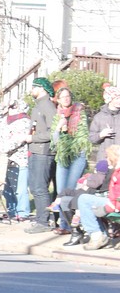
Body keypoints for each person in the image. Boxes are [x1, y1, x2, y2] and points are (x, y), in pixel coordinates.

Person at [50, 83, 90, 233]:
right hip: (63, 157)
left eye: (68, 96)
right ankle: (64, 225)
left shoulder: (79, 112)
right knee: (61, 190)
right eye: (63, 97)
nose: (66, 99)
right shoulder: (57, 116)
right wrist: (59, 128)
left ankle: (73, 224)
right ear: (58, 100)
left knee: (70, 189)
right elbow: (54, 141)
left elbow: (83, 135)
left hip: (77, 155)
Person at [24, 77, 56, 233]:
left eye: (33, 87)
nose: (31, 90)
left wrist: (33, 138)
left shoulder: (47, 106)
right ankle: (42, 219)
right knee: (35, 186)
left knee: (39, 187)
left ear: (41, 89)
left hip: (44, 153)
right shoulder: (38, 105)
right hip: (35, 151)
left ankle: (43, 222)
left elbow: (53, 131)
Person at [74, 144, 120, 250]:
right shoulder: (116, 171)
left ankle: (97, 236)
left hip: (115, 206)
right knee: (85, 199)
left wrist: (105, 209)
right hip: (113, 203)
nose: (106, 160)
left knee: (84, 200)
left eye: (108, 157)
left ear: (114, 158)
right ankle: (100, 236)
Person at [0, 102, 32, 221]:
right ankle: (12, 211)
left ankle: (23, 212)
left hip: (19, 159)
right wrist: (2, 106)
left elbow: (18, 140)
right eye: (10, 107)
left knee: (20, 189)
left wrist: (1, 150)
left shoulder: (25, 121)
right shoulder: (6, 120)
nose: (11, 109)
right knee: (7, 189)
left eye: (13, 107)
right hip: (5, 160)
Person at [88, 84, 120, 164]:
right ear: (110, 99)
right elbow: (91, 138)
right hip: (105, 159)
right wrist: (101, 135)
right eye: (117, 98)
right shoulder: (99, 117)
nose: (119, 100)